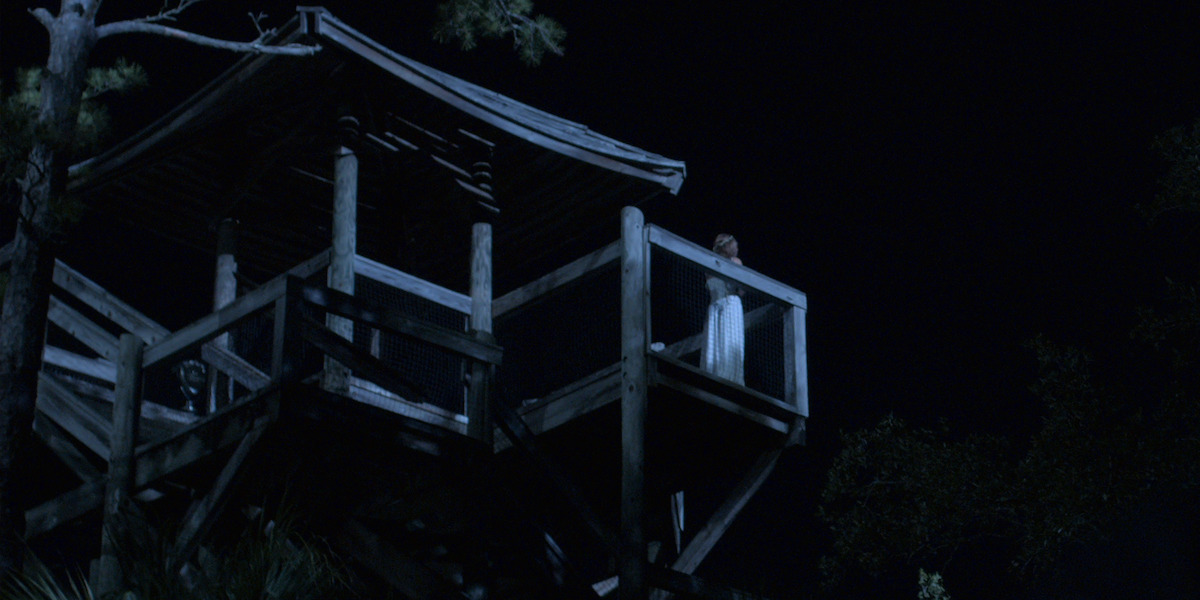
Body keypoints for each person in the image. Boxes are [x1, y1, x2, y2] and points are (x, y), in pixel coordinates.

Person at [701, 233, 745, 385]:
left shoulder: (709, 266)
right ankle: (731, 377)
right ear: (731, 248)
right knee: (730, 340)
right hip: (730, 305)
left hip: (714, 308)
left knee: (716, 342)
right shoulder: (735, 262)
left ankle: (714, 374)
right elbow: (741, 290)